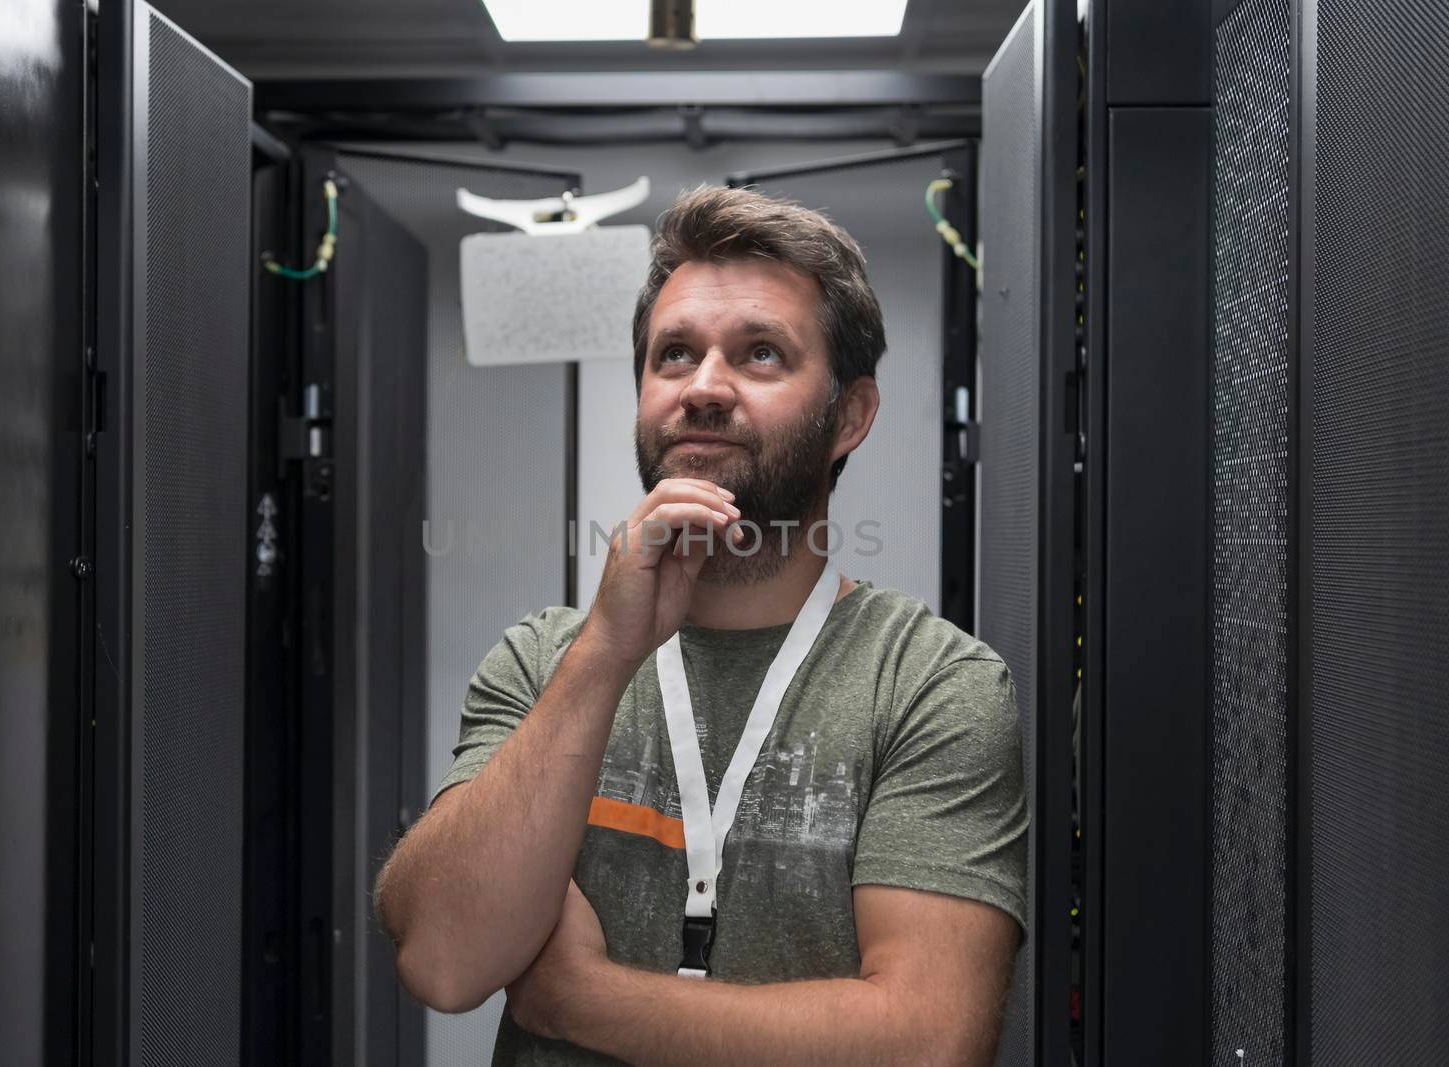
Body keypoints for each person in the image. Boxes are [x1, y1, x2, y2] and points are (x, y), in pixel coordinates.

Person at [376, 185, 1028, 1065]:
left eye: (760, 354)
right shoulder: (544, 663)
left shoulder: (930, 684)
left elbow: (926, 1043)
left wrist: (581, 996)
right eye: (674, 354)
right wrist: (606, 653)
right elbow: (444, 959)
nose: (705, 388)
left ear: (851, 414)